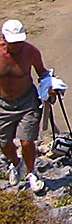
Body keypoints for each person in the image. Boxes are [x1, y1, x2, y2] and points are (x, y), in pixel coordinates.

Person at [0, 20, 48, 193]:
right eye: (13, 42)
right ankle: (16, 164)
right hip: (3, 104)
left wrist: (50, 88)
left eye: (20, 41)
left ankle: (31, 172)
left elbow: (42, 73)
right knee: (4, 143)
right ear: (4, 39)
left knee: (27, 142)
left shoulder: (31, 52)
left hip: (27, 101)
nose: (17, 45)